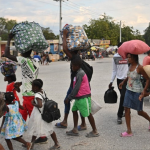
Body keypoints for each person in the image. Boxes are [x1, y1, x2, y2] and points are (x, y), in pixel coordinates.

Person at [4, 33, 47, 144]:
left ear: (23, 52)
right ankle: (19, 132)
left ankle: (42, 136)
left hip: (29, 95)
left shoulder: (23, 60)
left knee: (33, 117)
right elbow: (29, 76)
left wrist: (9, 38)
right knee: (23, 113)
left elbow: (6, 54)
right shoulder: (36, 61)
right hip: (32, 92)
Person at [55, 29, 92, 131]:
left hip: (75, 86)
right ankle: (81, 123)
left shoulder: (74, 57)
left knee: (69, 101)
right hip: (77, 85)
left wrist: (65, 35)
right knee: (79, 104)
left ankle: (65, 122)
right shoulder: (78, 56)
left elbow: (65, 49)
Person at [65, 56, 99, 137]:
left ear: (77, 66)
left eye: (73, 66)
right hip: (78, 98)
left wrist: (69, 97)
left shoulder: (80, 73)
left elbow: (77, 87)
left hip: (83, 97)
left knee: (88, 114)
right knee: (74, 110)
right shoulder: (77, 73)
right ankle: (75, 129)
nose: (72, 67)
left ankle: (95, 131)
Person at [119, 53, 150, 137]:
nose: (128, 59)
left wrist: (144, 91)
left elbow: (147, 79)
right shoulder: (130, 66)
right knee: (126, 109)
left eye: (129, 57)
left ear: (134, 58)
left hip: (137, 91)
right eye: (128, 57)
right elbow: (129, 76)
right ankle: (129, 131)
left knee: (139, 112)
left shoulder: (139, 68)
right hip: (129, 90)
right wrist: (123, 82)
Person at [27, 79, 60, 149]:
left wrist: (33, 103)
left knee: (48, 129)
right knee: (41, 129)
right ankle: (31, 144)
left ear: (36, 87)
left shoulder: (37, 95)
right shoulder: (42, 91)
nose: (31, 88)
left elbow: (40, 105)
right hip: (44, 113)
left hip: (40, 115)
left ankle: (56, 143)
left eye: (32, 86)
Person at [109, 43, 128, 124]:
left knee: (125, 96)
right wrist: (111, 81)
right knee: (123, 96)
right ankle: (120, 115)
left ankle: (124, 111)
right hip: (120, 80)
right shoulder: (116, 57)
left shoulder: (129, 56)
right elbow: (114, 70)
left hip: (128, 79)